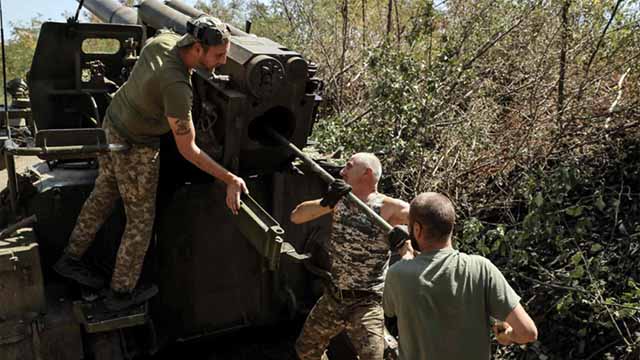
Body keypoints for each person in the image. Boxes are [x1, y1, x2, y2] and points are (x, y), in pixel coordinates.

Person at [53, 16, 248, 311]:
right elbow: (189, 150)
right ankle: (121, 292)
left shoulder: (162, 42)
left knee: (103, 193)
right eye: (218, 55)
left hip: (112, 125)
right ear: (197, 48)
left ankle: (70, 258)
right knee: (141, 221)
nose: (221, 62)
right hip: (135, 145)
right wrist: (230, 179)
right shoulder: (177, 87)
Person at [383, 192, 538, 359]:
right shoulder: (480, 268)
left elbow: (389, 310)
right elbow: (527, 332)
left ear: (417, 229)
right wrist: (506, 334)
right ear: (451, 227)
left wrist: (406, 256)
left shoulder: (397, 275)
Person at [291, 152, 413, 359]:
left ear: (366, 173)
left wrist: (405, 241)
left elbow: (425, 228)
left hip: (366, 304)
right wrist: (326, 202)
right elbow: (296, 216)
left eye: (348, 166)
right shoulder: (339, 199)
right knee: (306, 351)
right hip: (334, 296)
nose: (341, 171)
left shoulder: (388, 208)